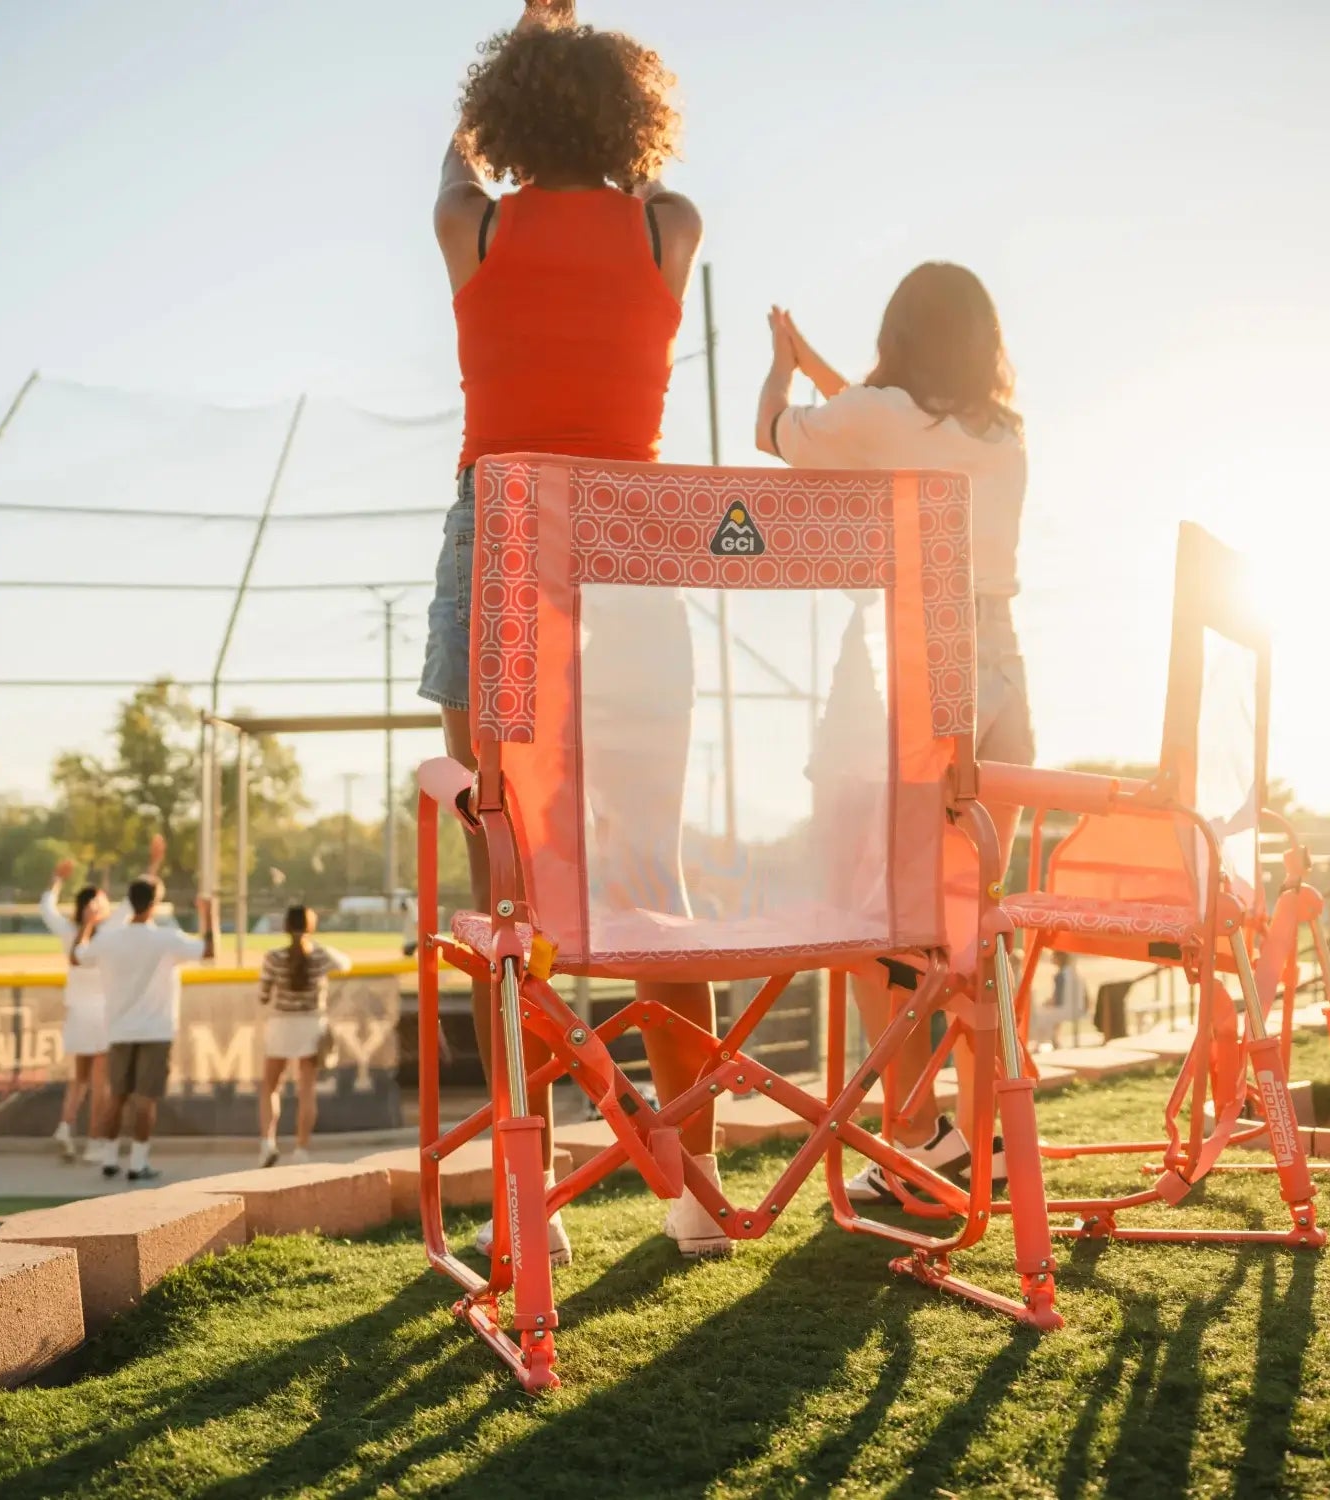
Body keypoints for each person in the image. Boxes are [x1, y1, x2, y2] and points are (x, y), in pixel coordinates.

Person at [421, 0, 725, 1261]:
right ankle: (693, 1192)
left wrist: (516, 62)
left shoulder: (473, 223)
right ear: (632, 121)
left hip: (501, 547)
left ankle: (518, 1199)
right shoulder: (668, 227)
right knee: (651, 878)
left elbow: (451, 168)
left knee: (506, 873)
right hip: (634, 562)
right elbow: (661, 183)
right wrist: (604, 89)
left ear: (503, 118)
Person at [756, 263, 1034, 1202]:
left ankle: (914, 1132)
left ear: (900, 335)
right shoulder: (1003, 437)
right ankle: (980, 1134)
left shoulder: (879, 416)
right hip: (999, 673)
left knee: (865, 900)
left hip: (905, 663)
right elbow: (883, 425)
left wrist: (783, 366)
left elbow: (781, 436)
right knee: (971, 914)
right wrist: (830, 371)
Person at [73, 878, 214, 1181]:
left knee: (117, 1096)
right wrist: (208, 914)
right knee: (145, 1099)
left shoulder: (111, 938)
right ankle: (138, 1162)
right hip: (156, 1030)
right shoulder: (166, 938)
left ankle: (109, 1158)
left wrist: (87, 923)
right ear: (154, 904)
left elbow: (77, 956)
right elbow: (209, 951)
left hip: (120, 1029)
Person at [38, 836, 164, 1165]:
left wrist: (57, 880)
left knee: (78, 1080)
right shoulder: (107, 933)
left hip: (76, 1014)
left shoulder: (69, 930)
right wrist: (153, 864)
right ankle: (95, 1141)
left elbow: (46, 908)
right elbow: (135, 902)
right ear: (96, 908)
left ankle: (65, 1127)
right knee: (100, 1084)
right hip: (102, 1016)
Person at [256, 905, 351, 1167]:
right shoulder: (321, 955)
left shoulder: (273, 957)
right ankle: (301, 1148)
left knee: (270, 1086)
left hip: (280, 1025)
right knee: (306, 1090)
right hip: (311, 1025)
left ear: (285, 927)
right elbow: (346, 963)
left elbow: (264, 995)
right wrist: (313, 942)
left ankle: (267, 1143)